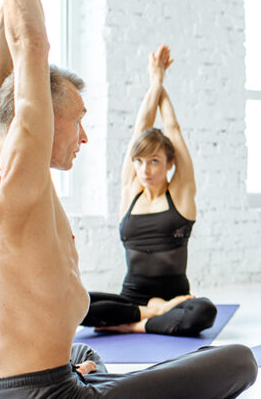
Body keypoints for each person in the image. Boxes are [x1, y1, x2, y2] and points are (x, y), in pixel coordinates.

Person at [0, 0, 255, 396]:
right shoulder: (19, 176)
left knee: (81, 356)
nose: (84, 135)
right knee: (239, 361)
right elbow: (29, 44)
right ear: (42, 120)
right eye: (78, 119)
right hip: (45, 393)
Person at [80, 44, 217, 337]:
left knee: (203, 313)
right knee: (74, 303)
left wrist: (160, 82)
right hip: (132, 299)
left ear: (169, 164)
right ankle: (151, 317)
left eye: (155, 161)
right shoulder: (131, 190)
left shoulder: (179, 194)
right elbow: (141, 126)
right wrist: (155, 82)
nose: (145, 169)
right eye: (140, 161)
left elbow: (173, 128)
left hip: (177, 300)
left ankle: (133, 325)